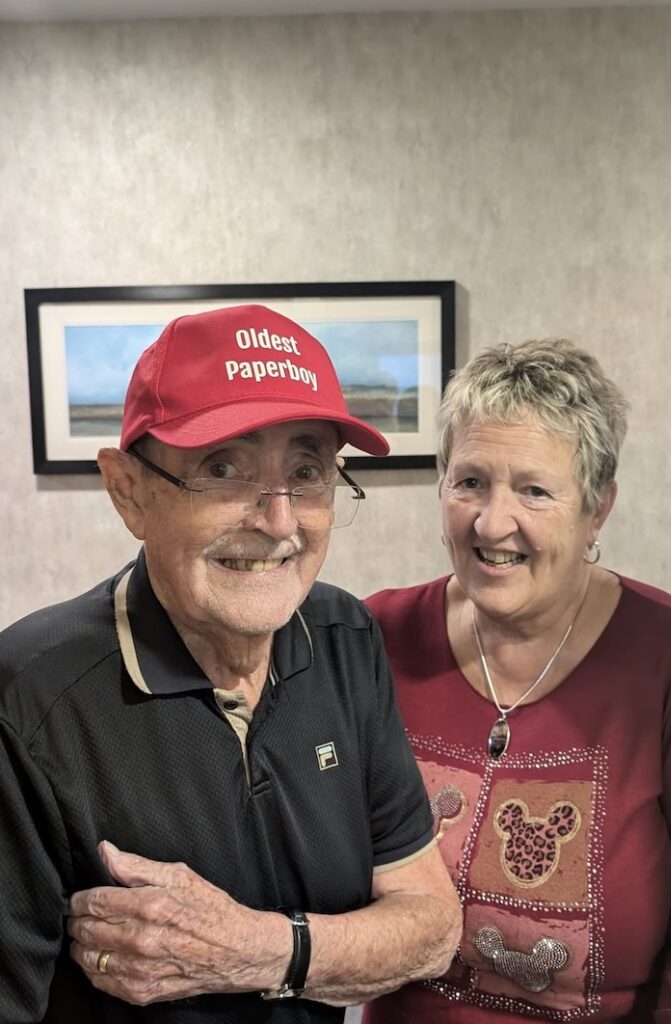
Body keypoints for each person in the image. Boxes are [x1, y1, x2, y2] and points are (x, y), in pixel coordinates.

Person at [0, 304, 461, 1024]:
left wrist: (258, 950)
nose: (278, 522)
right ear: (129, 492)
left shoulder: (344, 638)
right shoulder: (30, 700)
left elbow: (431, 928)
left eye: (305, 471)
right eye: (222, 468)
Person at [363, 339, 671, 1022]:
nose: (493, 523)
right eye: (469, 482)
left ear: (596, 510)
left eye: (533, 490)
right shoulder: (374, 636)